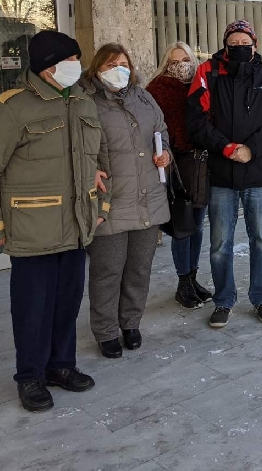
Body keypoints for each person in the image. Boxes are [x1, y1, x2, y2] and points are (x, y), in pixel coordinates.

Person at [0, 31, 108, 412]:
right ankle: (29, 376)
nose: (77, 65)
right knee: (33, 308)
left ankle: (61, 366)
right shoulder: (12, 108)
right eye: (70, 59)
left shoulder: (82, 101)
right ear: (48, 68)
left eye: (77, 58)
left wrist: (102, 206)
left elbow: (99, 161)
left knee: (66, 303)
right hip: (33, 228)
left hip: (77, 225)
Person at [188, 20, 262, 328]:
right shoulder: (208, 73)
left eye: (245, 42)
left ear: (255, 45)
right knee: (220, 243)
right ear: (225, 45)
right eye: (234, 43)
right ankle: (223, 300)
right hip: (221, 173)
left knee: (261, 240)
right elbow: (195, 118)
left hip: (257, 173)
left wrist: (251, 148)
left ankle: (261, 297)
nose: (240, 47)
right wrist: (226, 147)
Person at [82, 44, 171, 359]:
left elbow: (161, 131)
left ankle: (130, 322)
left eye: (123, 63)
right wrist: (87, 169)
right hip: (111, 202)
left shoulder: (143, 96)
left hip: (148, 197)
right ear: (97, 68)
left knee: (139, 268)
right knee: (107, 271)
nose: (118, 69)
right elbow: (77, 146)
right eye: (110, 64)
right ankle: (105, 331)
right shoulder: (86, 101)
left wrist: (165, 154)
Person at [147, 42, 213, 310]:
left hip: (201, 164)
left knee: (197, 226)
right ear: (166, 64)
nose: (181, 65)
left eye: (185, 59)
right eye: (175, 61)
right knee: (182, 228)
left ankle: (193, 278)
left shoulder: (201, 87)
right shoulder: (156, 91)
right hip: (176, 166)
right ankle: (183, 282)